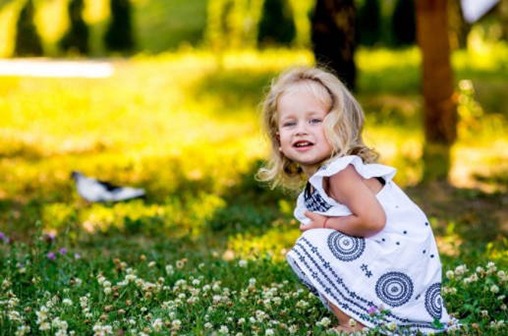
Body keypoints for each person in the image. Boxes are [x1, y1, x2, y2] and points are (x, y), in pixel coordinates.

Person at [257, 66, 455, 334]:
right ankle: (364, 313)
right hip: (388, 257)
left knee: (312, 244)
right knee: (314, 250)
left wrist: (326, 223)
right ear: (278, 138)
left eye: (315, 121)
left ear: (339, 128)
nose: (301, 130)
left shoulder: (341, 173)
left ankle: (354, 323)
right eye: (290, 123)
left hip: (400, 258)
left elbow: (373, 220)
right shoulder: (324, 178)